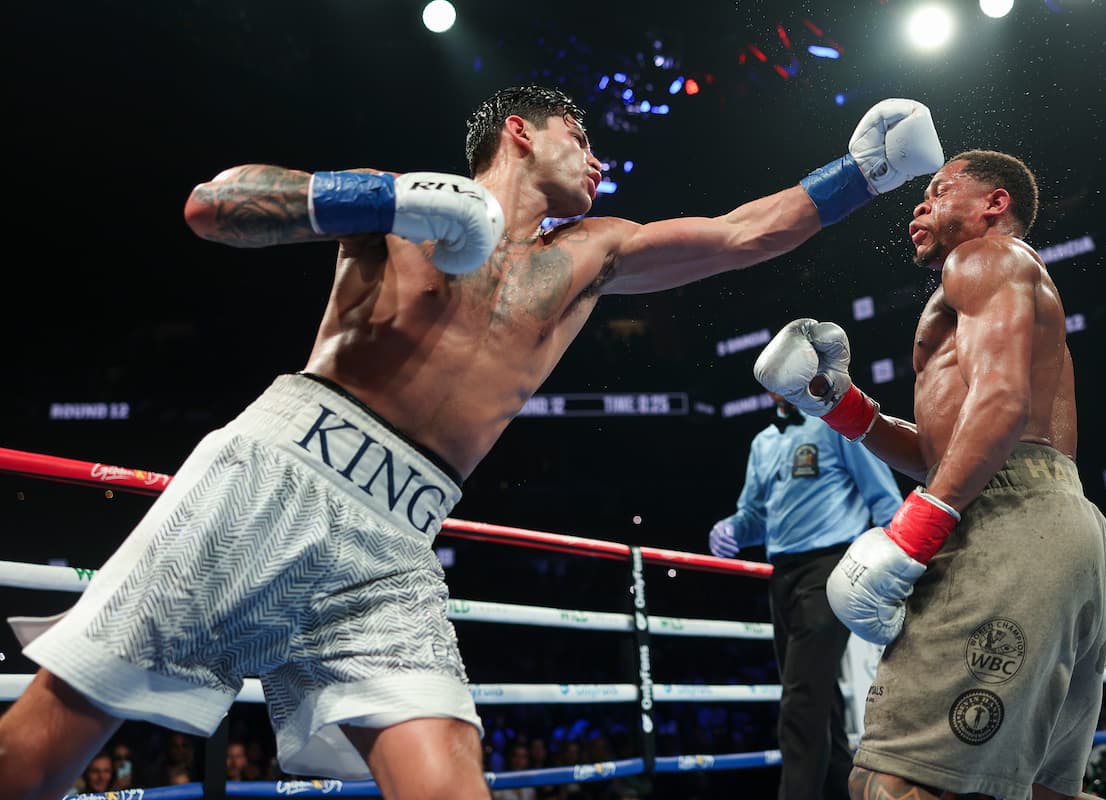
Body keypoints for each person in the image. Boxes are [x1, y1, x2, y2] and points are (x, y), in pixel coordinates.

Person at [0, 84, 944, 800]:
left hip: (398, 541)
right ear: (521, 132)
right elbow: (214, 206)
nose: (599, 160)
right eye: (583, 137)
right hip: (277, 475)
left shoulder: (591, 253)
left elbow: (743, 235)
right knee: (56, 738)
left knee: (452, 773)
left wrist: (864, 173)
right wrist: (393, 198)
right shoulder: (402, 216)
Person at [754, 150, 1106, 799]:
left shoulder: (984, 258)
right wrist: (837, 405)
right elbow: (942, 448)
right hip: (1061, 524)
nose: (918, 206)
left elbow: (1001, 405)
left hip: (1007, 520)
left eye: (938, 190)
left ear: (994, 204)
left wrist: (915, 530)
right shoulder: (990, 285)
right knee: (1032, 788)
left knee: (890, 779)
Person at [707, 391, 902, 800]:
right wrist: (730, 529)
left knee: (801, 698)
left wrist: (895, 570)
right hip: (782, 577)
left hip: (833, 568)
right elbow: (754, 517)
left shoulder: (838, 426)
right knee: (818, 697)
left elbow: (884, 499)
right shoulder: (763, 442)